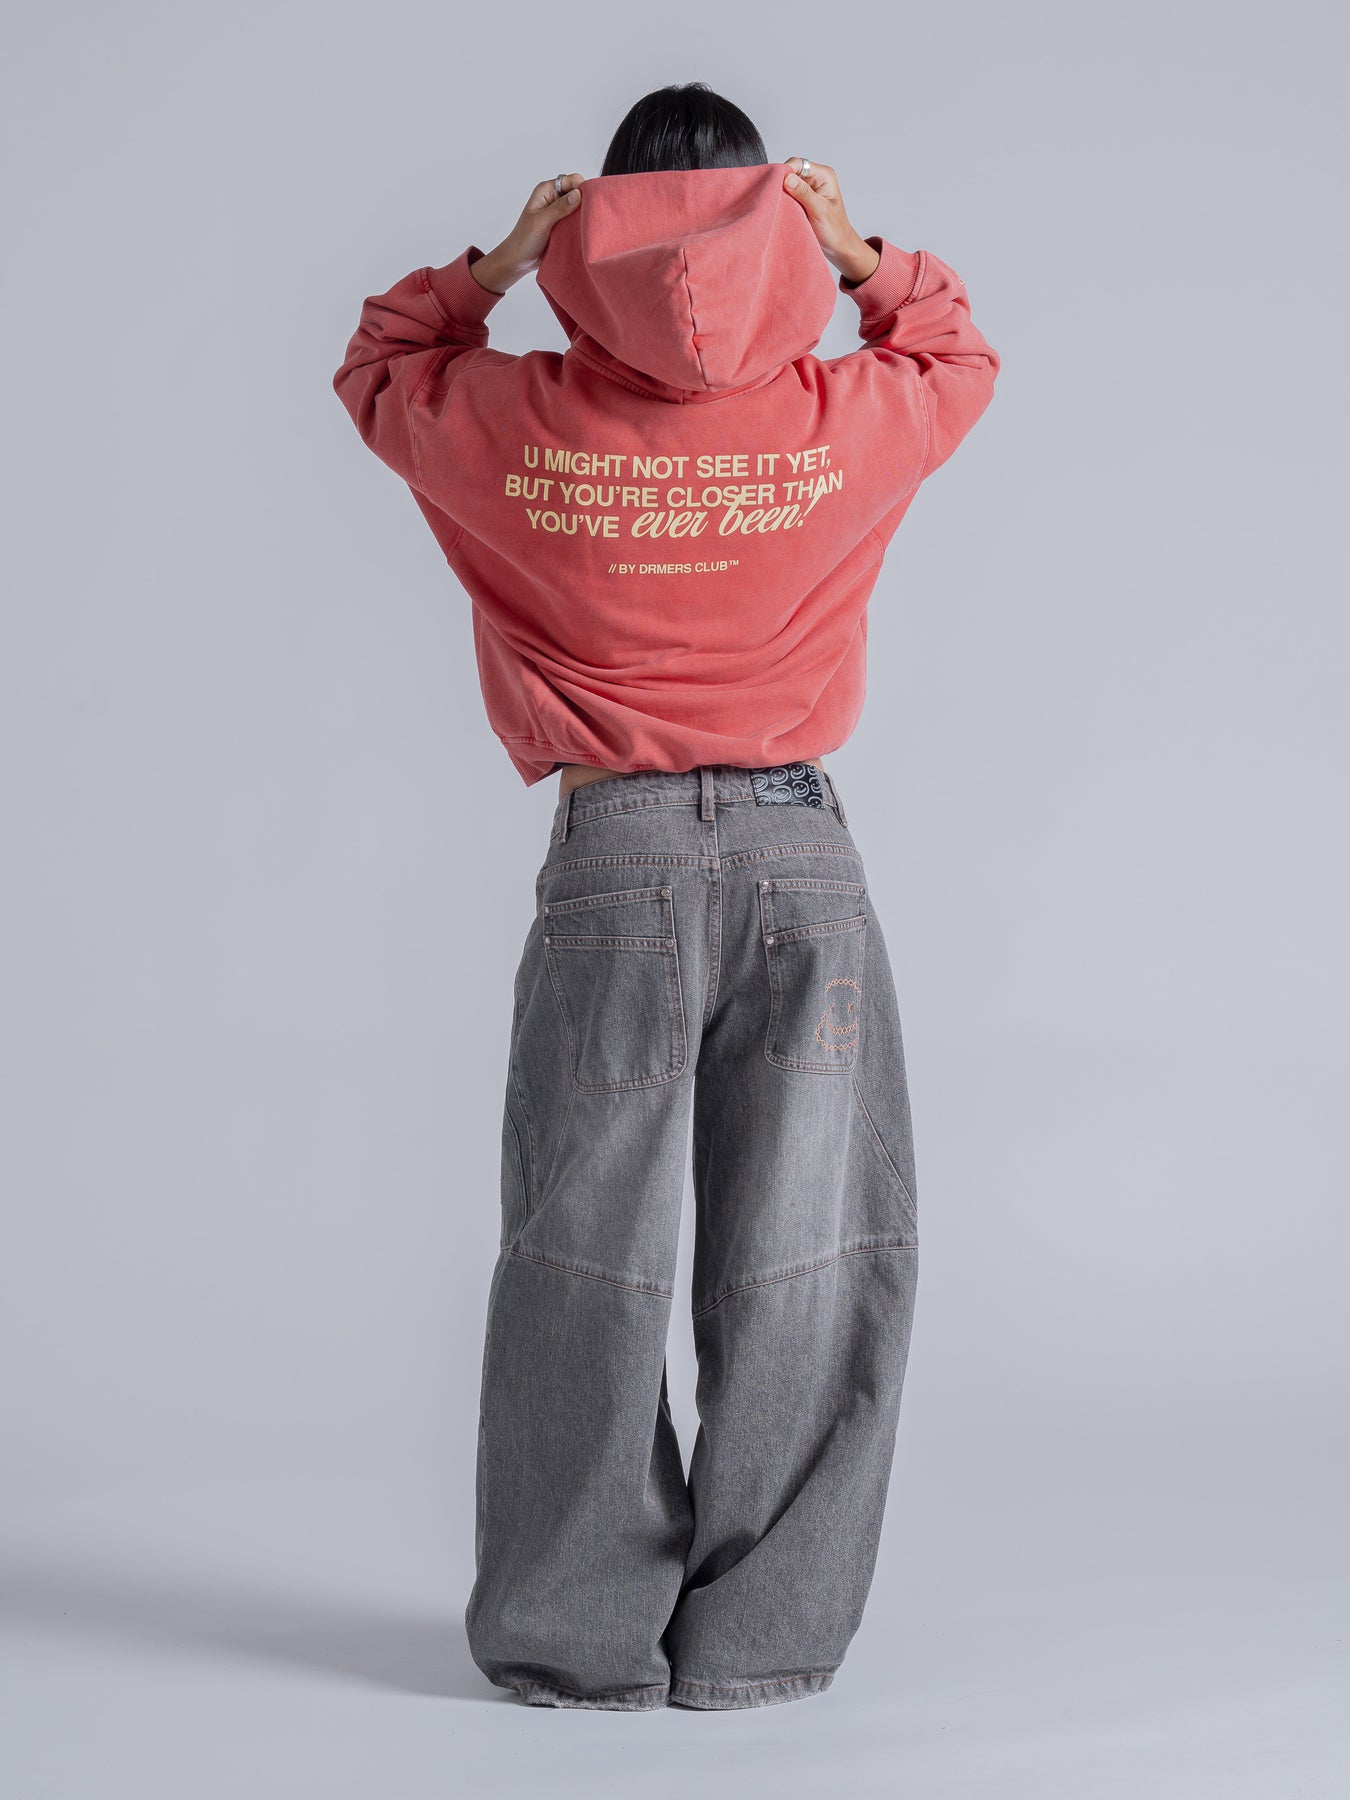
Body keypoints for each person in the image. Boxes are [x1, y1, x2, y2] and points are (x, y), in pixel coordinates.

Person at [333, 81, 999, 1713]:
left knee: (584, 1255)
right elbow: (953, 357)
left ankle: (575, 1642)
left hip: (611, 856)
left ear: (599, 224)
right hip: (798, 858)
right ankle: (763, 1639)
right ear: (772, 220)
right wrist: (855, 252)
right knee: (807, 1253)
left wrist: (500, 259)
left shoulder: (512, 419)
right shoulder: (842, 416)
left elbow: (380, 364)